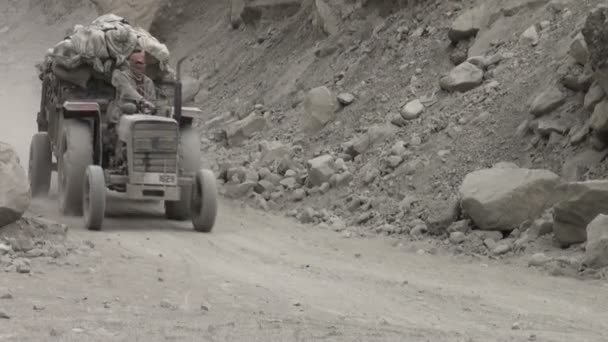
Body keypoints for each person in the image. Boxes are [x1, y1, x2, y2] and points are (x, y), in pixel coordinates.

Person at [110, 49, 157, 116]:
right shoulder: (122, 76)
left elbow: (152, 100)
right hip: (123, 114)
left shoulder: (148, 82)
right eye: (136, 63)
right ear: (130, 64)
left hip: (144, 114)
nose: (138, 66)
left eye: (141, 63)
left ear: (145, 65)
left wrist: (149, 108)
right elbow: (127, 91)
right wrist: (143, 101)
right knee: (130, 107)